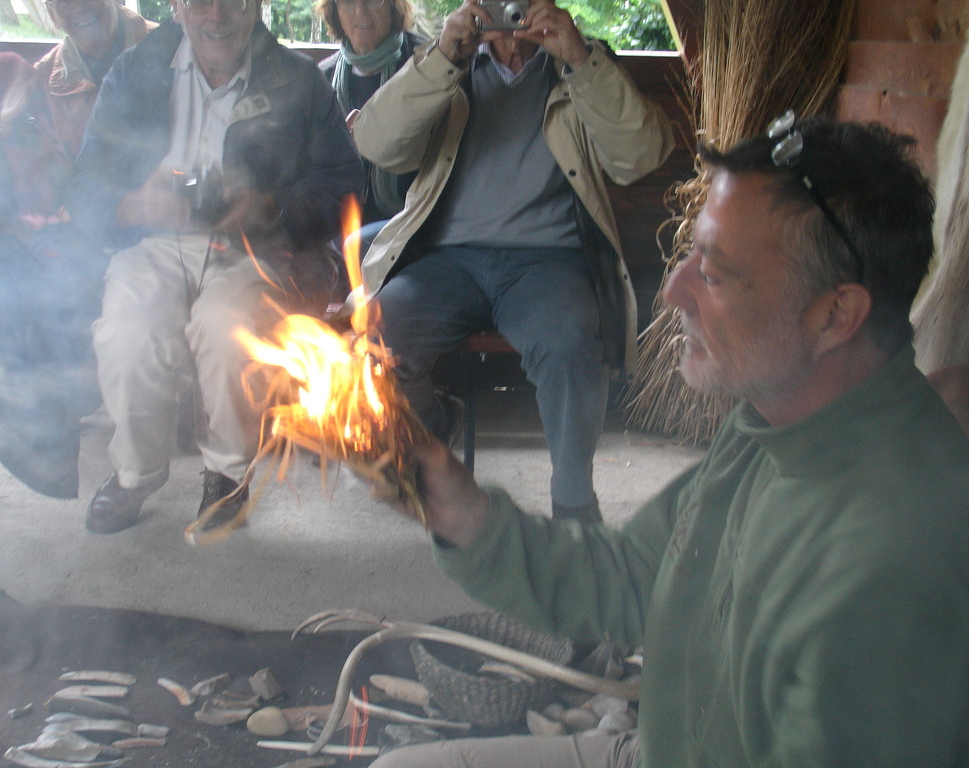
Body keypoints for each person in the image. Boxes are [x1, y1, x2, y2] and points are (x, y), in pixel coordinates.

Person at [368, 117, 969, 768]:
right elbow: (632, 579)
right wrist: (459, 510)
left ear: (835, 315)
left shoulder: (888, 568)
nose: (672, 291)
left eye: (712, 274)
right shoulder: (776, 421)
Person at [352, 0, 674, 523]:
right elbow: (377, 144)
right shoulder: (444, 62)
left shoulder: (582, 63)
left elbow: (642, 155)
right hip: (447, 258)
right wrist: (441, 59)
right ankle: (433, 431)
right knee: (377, 334)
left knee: (569, 342)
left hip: (548, 261)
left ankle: (574, 507)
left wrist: (578, 58)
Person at [67, 0, 364, 534]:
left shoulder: (297, 80)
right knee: (128, 332)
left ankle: (227, 473)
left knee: (228, 327)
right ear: (177, 9)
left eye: (234, 2)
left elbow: (343, 185)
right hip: (154, 240)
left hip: (258, 248)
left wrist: (270, 207)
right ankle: (136, 473)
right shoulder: (136, 71)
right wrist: (131, 203)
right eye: (201, 1)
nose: (217, 15)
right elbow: (85, 182)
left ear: (256, 10)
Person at [0, 0, 98, 498]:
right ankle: (39, 427)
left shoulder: (6, 74)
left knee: (40, 277)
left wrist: (18, 134)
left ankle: (41, 431)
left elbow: (40, 191)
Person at [314, 0, 424, 242]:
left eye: (374, 1)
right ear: (335, 12)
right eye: (348, 2)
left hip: (410, 223)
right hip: (339, 220)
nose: (360, 12)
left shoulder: (425, 66)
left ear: (394, 8)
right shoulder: (321, 80)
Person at [33, 0, 156, 168]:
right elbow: (45, 173)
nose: (79, 6)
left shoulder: (169, 47)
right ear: (52, 14)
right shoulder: (42, 78)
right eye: (63, 2)